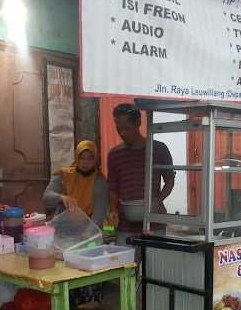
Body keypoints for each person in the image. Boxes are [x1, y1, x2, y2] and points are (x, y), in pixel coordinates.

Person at [108, 103, 175, 244]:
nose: (122, 133)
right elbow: (113, 186)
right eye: (118, 129)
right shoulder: (114, 155)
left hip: (155, 223)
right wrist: (113, 210)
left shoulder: (159, 149)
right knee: (126, 265)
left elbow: (169, 181)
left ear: (138, 123)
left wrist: (157, 201)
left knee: (154, 265)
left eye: (127, 128)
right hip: (125, 226)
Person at [43, 140, 108, 226]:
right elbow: (46, 197)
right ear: (77, 157)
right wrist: (62, 198)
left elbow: (99, 213)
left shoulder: (99, 180)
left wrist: (89, 233)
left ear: (95, 160)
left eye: (89, 159)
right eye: (82, 158)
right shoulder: (64, 174)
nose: (85, 162)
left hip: (87, 226)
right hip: (62, 225)